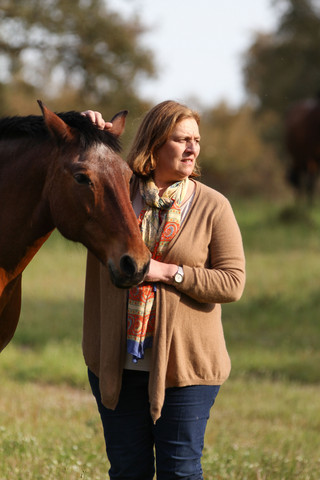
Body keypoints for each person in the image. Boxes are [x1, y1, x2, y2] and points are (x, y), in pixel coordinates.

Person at [82, 100, 245, 480]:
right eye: (181, 139)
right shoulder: (115, 194)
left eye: (196, 140)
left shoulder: (213, 206)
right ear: (154, 143)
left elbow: (233, 282)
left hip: (186, 369)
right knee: (127, 471)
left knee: (180, 472)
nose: (192, 148)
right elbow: (80, 176)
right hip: (116, 364)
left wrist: (168, 272)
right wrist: (91, 137)